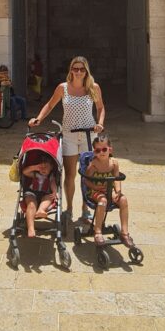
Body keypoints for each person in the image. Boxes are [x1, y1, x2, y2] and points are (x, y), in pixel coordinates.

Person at [28, 56, 105, 221]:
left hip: (89, 135)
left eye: (82, 69)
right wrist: (39, 118)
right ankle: (69, 209)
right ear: (71, 70)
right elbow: (50, 104)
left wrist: (100, 123)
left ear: (86, 71)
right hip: (69, 135)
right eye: (75, 68)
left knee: (87, 174)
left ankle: (86, 209)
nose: (78, 72)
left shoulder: (93, 87)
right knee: (70, 174)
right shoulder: (63, 88)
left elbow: (100, 107)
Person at [85, 133, 133, 247]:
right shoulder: (93, 165)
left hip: (109, 189)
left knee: (123, 200)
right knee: (102, 201)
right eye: (97, 150)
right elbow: (86, 180)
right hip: (95, 191)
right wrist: (95, 187)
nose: (101, 152)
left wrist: (118, 191)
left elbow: (116, 179)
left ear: (110, 150)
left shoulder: (114, 163)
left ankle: (125, 232)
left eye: (104, 149)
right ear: (94, 151)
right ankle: (97, 232)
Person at [20, 155, 57, 238]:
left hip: (45, 193)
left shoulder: (51, 176)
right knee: (31, 204)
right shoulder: (35, 174)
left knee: (49, 198)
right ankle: (31, 228)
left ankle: (41, 210)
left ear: (51, 168)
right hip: (32, 193)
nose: (43, 169)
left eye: (46, 167)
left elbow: (53, 184)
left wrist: (54, 192)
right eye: (41, 167)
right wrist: (34, 167)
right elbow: (25, 172)